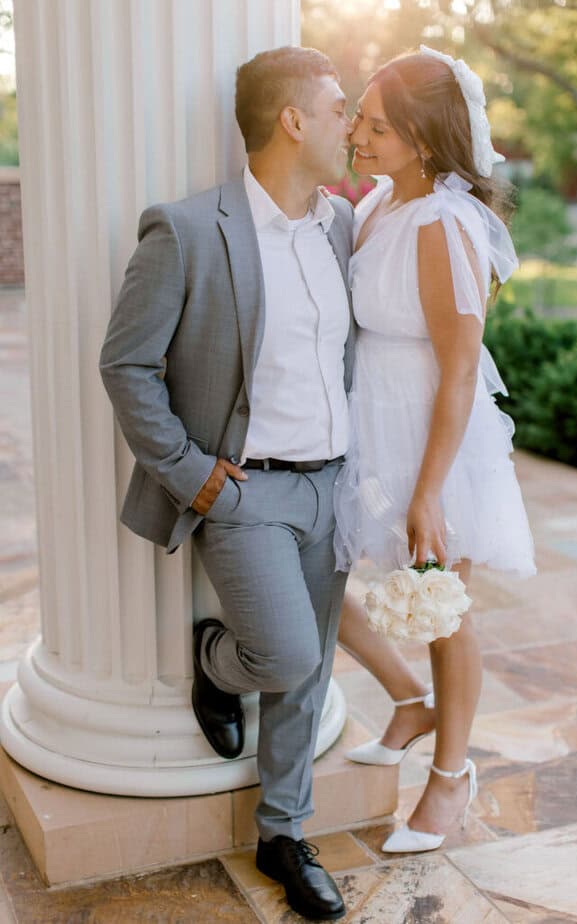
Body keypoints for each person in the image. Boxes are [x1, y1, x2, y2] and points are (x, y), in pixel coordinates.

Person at [100, 46, 354, 922]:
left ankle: (283, 832)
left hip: (335, 487)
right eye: (337, 107)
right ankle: (217, 659)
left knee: (310, 678)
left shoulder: (341, 227)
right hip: (247, 495)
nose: (349, 124)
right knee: (283, 657)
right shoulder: (186, 228)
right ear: (293, 120)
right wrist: (193, 478)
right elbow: (127, 364)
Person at [333, 45, 536, 854]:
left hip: (432, 434)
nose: (357, 134)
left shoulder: (445, 222)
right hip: (367, 426)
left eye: (378, 126)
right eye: (359, 116)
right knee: (323, 583)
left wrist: (429, 492)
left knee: (442, 612)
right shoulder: (381, 200)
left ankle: (451, 777)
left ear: (424, 139)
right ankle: (406, 700)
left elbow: (458, 370)